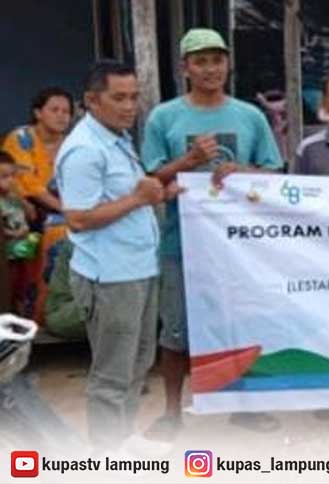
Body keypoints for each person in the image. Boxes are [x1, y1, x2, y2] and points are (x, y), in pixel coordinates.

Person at [141, 28, 284, 441]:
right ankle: (172, 412)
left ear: (228, 64)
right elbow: (149, 179)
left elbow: (274, 173)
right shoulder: (163, 117)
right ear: (184, 68)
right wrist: (189, 160)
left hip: (239, 247)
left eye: (217, 60)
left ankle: (245, 407)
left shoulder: (250, 116)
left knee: (244, 324)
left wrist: (242, 171)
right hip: (180, 244)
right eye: (200, 61)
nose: (210, 69)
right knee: (176, 331)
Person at [55, 60, 177, 454]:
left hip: (138, 268)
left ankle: (124, 437)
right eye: (118, 98)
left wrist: (159, 195)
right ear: (92, 101)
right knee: (112, 373)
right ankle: (107, 454)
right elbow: (77, 218)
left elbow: (125, 199)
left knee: (138, 363)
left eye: (134, 97)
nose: (130, 107)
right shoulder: (84, 150)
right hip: (109, 277)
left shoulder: (116, 138)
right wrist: (139, 199)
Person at [2, 87, 74, 322]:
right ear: (38, 113)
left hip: (66, 207)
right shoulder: (21, 138)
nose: (61, 116)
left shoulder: (72, 144)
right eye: (54, 110)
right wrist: (66, 210)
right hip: (24, 208)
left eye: (66, 111)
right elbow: (29, 185)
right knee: (57, 231)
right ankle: (36, 310)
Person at [1, 151, 38, 314]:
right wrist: (13, 234)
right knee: (10, 280)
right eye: (4, 177)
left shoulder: (15, 197)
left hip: (22, 247)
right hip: (7, 250)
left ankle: (22, 306)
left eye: (12, 176)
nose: (10, 181)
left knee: (23, 280)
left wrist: (23, 201)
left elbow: (32, 216)